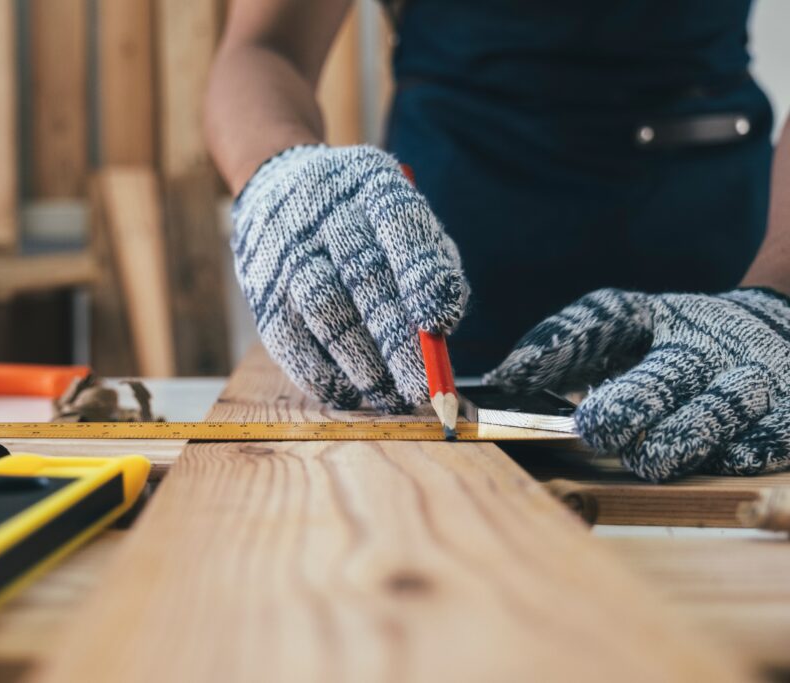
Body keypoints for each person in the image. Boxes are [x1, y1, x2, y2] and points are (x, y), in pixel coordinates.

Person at [205, 0, 790, 482]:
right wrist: (279, 171)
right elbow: (264, 47)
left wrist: (777, 297)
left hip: (723, 280)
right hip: (448, 254)